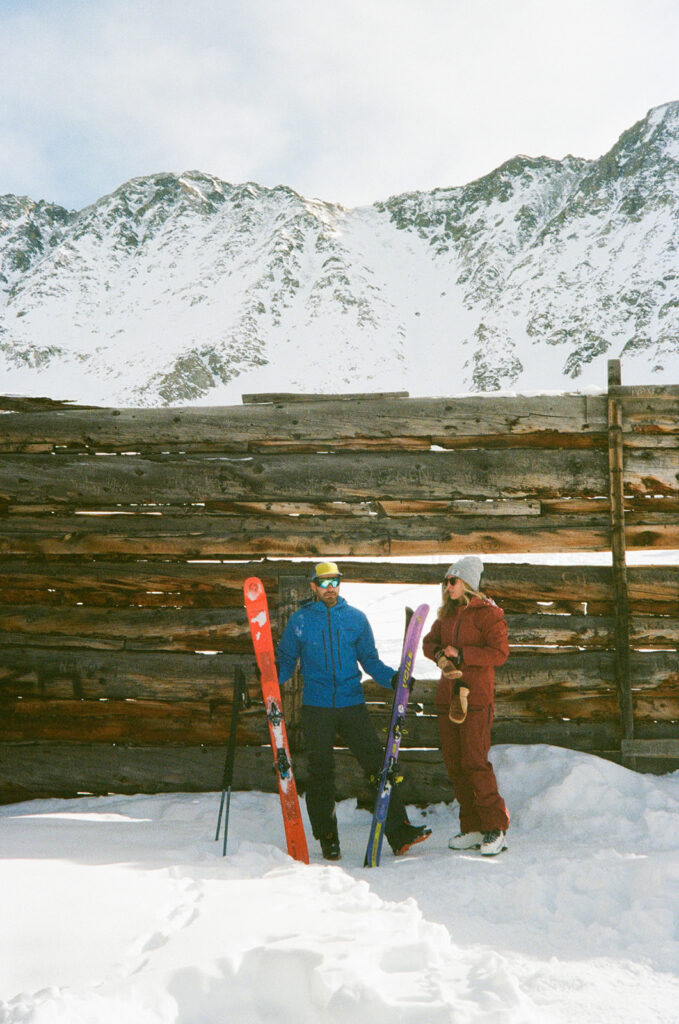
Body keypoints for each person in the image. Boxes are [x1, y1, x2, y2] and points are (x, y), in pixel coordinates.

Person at [277, 561, 431, 861]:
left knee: (379, 766)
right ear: (313, 586)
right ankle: (328, 838)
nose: (329, 588)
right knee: (321, 773)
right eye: (323, 583)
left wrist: (393, 679)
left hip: (352, 704)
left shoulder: (356, 619)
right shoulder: (300, 622)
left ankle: (399, 832)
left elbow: (370, 660)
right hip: (316, 707)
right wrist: (267, 680)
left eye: (334, 581)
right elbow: (285, 662)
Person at [422, 556, 510, 856]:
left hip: (475, 700)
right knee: (456, 764)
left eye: (453, 581)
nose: (448, 587)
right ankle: (472, 827)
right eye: (446, 581)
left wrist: (462, 654)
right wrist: (439, 656)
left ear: (468, 583)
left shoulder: (489, 615)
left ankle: (495, 828)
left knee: (474, 762)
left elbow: (499, 653)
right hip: (448, 699)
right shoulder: (446, 615)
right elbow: (427, 642)